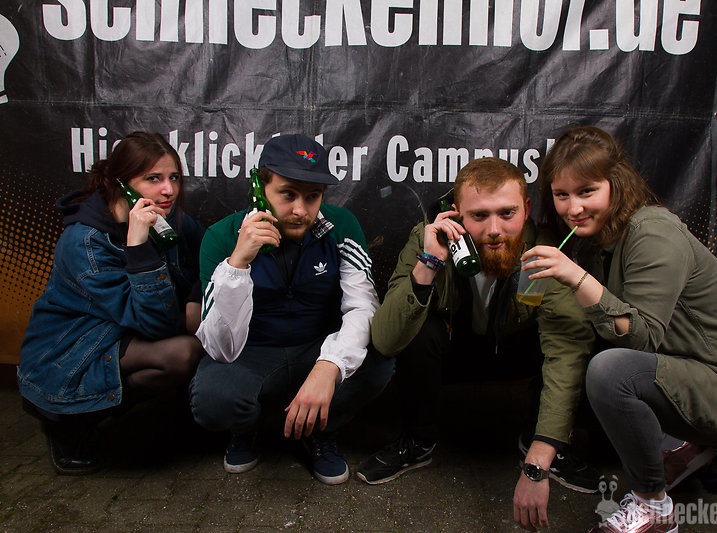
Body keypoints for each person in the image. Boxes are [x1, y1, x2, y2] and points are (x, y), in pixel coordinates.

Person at [528, 125, 717, 533]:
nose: (573, 207)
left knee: (609, 372)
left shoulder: (652, 231)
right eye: (561, 194)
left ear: (616, 184)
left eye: (587, 191)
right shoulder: (598, 240)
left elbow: (641, 337)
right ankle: (679, 445)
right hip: (682, 372)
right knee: (579, 364)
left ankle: (654, 507)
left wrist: (575, 277)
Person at [356, 157, 597, 527]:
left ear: (526, 209)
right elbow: (386, 341)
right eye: (479, 216)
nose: (495, 230)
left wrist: (542, 452)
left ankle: (540, 440)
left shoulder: (545, 249)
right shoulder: (429, 236)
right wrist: (428, 264)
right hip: (455, 351)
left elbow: (566, 352)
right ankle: (419, 442)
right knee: (418, 324)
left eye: (507, 213)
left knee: (567, 339)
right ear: (457, 213)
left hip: (516, 351)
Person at [190, 134, 393, 484]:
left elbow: (363, 308)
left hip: (315, 348)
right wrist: (238, 263)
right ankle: (246, 430)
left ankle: (319, 430)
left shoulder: (341, 226)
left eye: (312, 196)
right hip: (250, 353)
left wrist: (329, 366)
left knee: (380, 361)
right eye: (288, 194)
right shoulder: (222, 236)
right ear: (259, 188)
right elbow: (220, 347)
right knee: (212, 399)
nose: (301, 210)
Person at [17, 131, 206, 475]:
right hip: (73, 353)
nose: (169, 190)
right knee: (182, 352)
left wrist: (195, 299)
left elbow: (210, 253)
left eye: (174, 177)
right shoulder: (85, 242)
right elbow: (157, 325)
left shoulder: (166, 216)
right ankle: (68, 424)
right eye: (153, 179)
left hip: (122, 332)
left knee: (208, 331)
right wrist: (138, 248)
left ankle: (176, 418)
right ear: (122, 183)